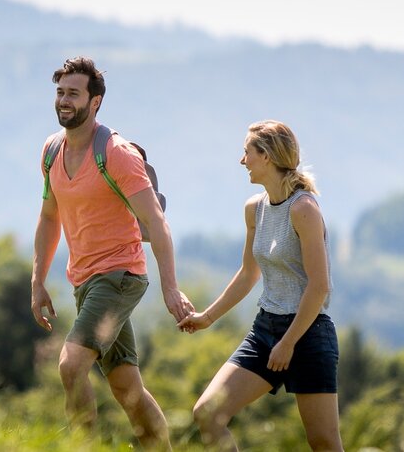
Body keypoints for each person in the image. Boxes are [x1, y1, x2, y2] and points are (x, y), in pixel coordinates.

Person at [31, 56, 194, 450]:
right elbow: (50, 217)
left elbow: (156, 222)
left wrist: (171, 288)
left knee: (71, 366)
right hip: (85, 281)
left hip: (120, 277)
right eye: (60, 92)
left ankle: (81, 448)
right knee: (126, 388)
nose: (63, 100)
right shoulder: (51, 151)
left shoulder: (117, 153)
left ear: (95, 101)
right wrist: (37, 280)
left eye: (73, 93)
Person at [178, 120, 342, 451]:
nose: (242, 161)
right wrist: (207, 318)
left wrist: (288, 342)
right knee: (207, 413)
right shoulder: (254, 208)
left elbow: (319, 286)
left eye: (247, 152)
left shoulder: (304, 209)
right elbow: (248, 274)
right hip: (265, 330)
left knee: (323, 442)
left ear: (266, 156)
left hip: (307, 333)